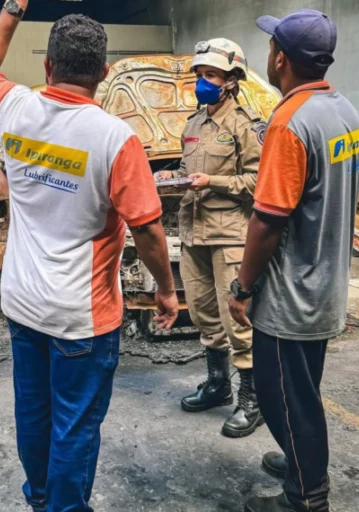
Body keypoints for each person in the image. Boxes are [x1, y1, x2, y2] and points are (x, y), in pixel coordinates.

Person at [0, 4, 178, 511]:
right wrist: (167, 291)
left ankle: (41, 499)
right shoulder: (114, 138)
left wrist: (12, 10)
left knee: (34, 414)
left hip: (22, 304)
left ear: (47, 67)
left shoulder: (15, 108)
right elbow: (147, 229)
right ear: (104, 74)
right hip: (81, 318)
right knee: (74, 426)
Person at [227, 8, 359, 512]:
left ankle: (306, 496)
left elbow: (267, 219)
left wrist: (243, 287)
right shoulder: (344, 110)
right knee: (302, 389)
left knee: (283, 396)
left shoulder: (289, 123)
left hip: (291, 294)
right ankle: (302, 458)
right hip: (327, 283)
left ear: (280, 58)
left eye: (270, 47)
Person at [155, 38, 268, 438]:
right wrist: (173, 177)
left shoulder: (246, 127)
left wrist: (213, 181)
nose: (203, 83)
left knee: (238, 319)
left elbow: (259, 183)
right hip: (194, 232)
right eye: (200, 75)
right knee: (204, 315)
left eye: (212, 76)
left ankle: (251, 400)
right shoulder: (193, 124)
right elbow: (190, 172)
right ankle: (218, 385)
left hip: (230, 236)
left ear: (232, 81)